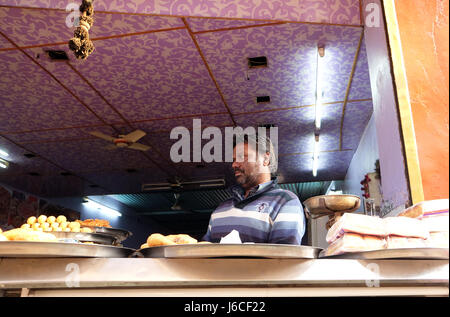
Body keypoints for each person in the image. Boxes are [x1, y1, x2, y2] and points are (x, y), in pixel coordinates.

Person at [202, 134, 306, 244]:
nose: (234, 164)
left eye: (242, 157)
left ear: (266, 159)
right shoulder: (220, 209)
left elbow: (284, 257)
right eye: (234, 159)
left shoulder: (286, 202)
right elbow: (204, 252)